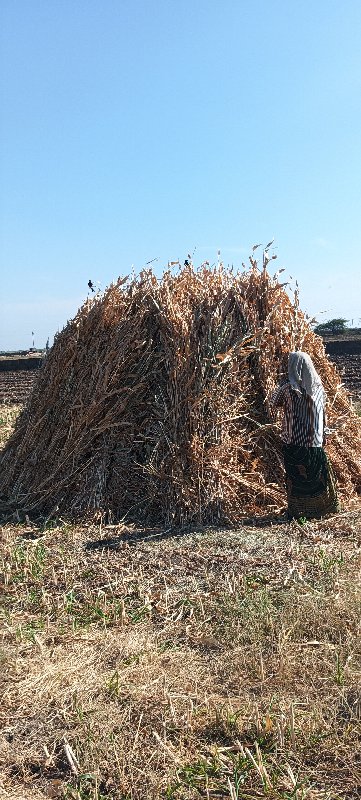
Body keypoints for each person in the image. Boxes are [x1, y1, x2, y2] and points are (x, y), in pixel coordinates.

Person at [270, 351, 339, 520]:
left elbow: (273, 402)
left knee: (296, 479)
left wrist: (283, 383)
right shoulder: (319, 388)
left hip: (293, 441)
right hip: (315, 441)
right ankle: (322, 509)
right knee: (316, 478)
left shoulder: (287, 389)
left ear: (292, 367)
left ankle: (298, 511)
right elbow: (323, 413)